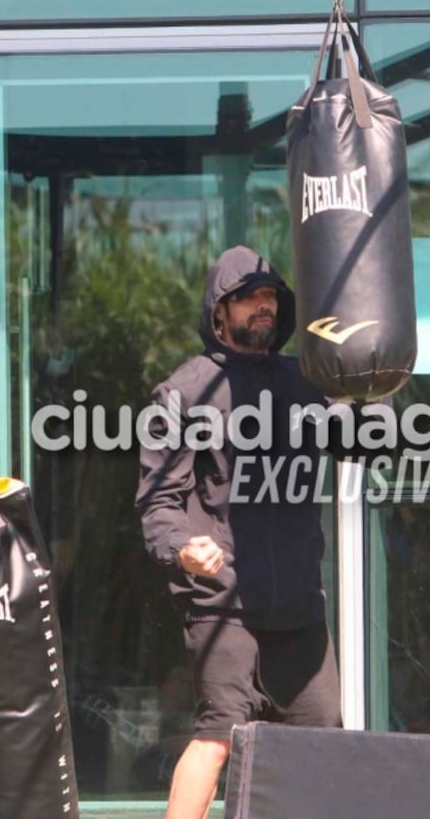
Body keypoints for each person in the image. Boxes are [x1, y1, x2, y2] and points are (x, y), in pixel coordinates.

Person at [135, 245, 346, 819]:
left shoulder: (307, 380)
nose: (263, 306)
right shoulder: (185, 391)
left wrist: (368, 392)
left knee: (323, 737)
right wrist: (184, 548)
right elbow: (158, 502)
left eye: (271, 296)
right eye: (248, 297)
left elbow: (365, 444)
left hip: (301, 602)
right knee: (217, 735)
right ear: (218, 311)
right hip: (223, 601)